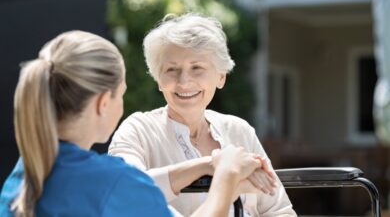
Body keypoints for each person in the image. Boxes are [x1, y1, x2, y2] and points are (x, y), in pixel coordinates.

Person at [0, 30, 271, 217]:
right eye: (122, 93)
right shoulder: (112, 181)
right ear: (103, 103)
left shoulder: (26, 172)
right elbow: (125, 188)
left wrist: (206, 164)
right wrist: (226, 177)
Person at [109, 13, 297, 216]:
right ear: (158, 79)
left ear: (221, 76)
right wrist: (211, 165)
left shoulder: (239, 130)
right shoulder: (138, 130)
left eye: (197, 68)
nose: (184, 81)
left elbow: (279, 210)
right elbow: (124, 191)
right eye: (172, 69)